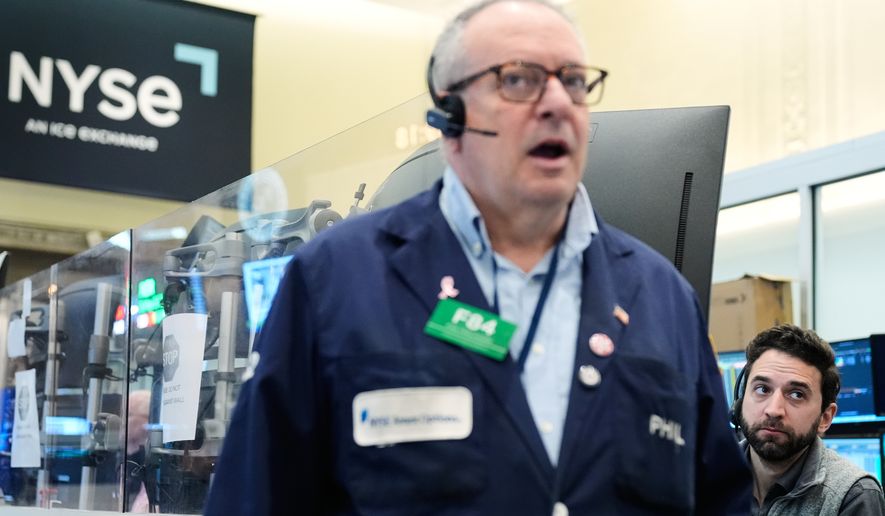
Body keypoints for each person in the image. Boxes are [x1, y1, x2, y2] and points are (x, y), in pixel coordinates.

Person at [205, 1, 751, 514]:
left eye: (574, 81)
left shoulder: (663, 296)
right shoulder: (334, 279)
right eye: (519, 79)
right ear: (450, 114)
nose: (558, 104)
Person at [734, 324, 885, 515]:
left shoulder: (854, 496)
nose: (773, 410)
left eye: (796, 394)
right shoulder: (708, 474)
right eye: (762, 389)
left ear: (825, 418)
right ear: (740, 403)